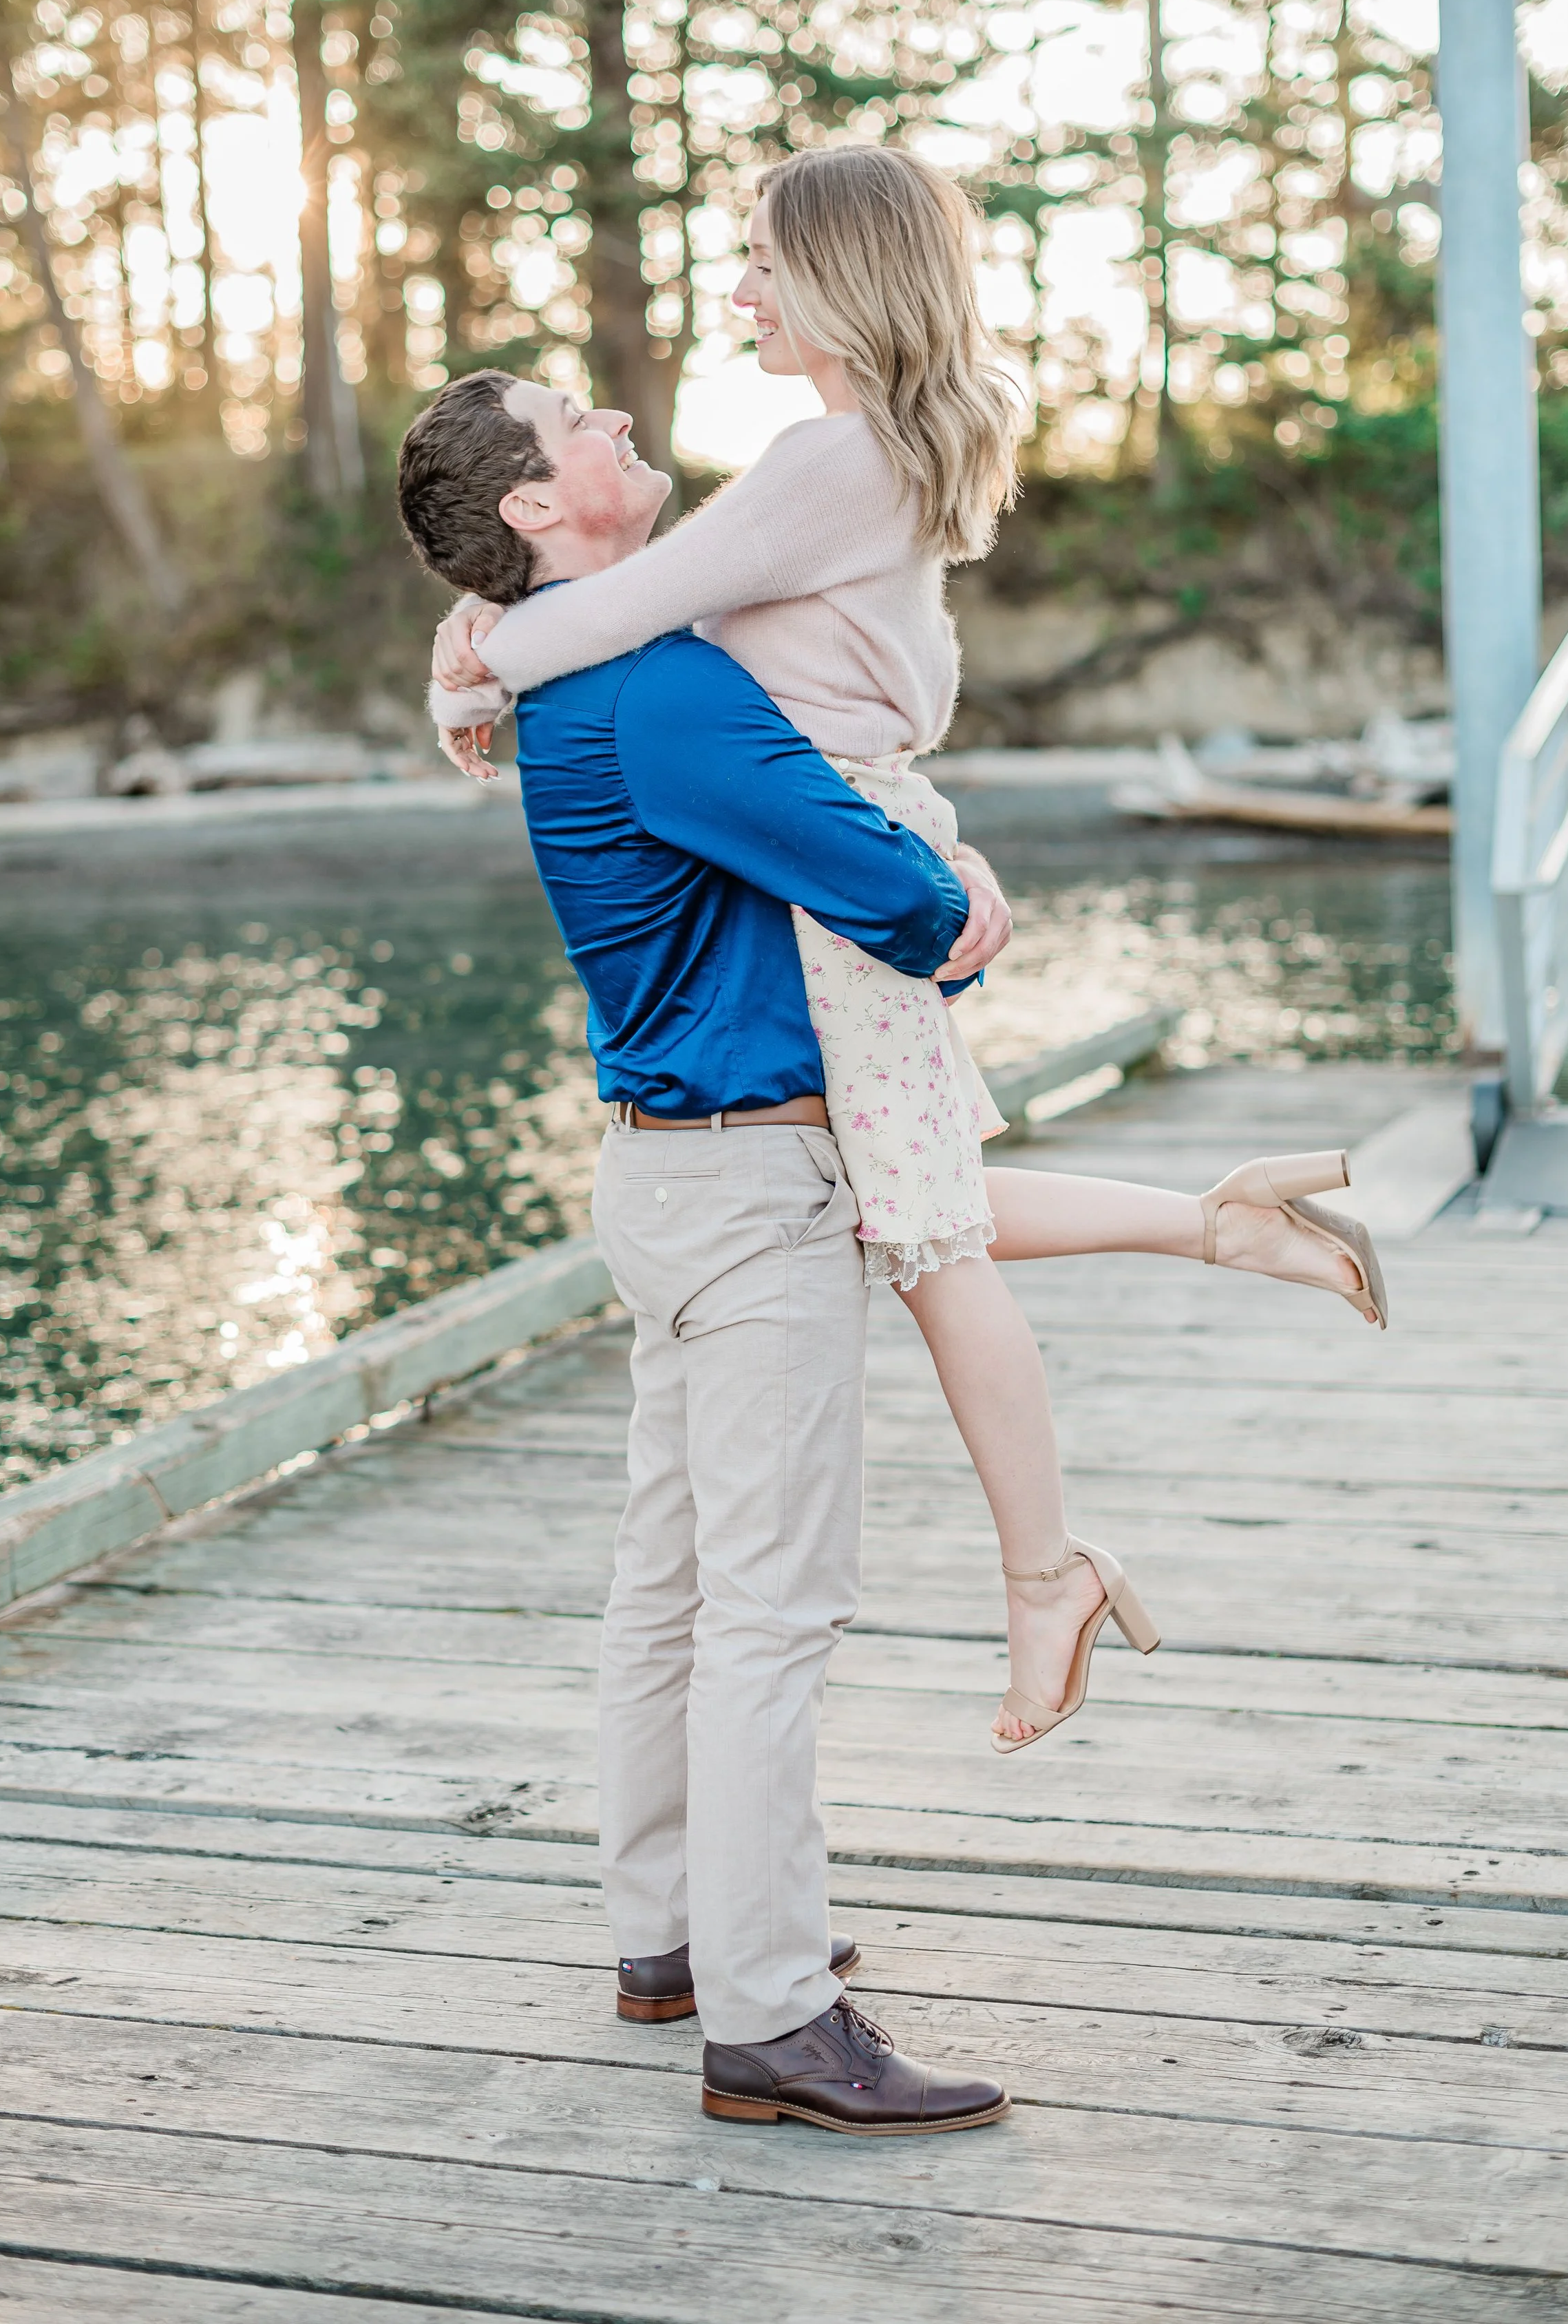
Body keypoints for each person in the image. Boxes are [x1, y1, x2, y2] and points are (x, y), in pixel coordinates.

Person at [427, 150, 1389, 1754]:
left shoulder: (824, 460)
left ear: (836, 278)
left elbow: (622, 613)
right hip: (848, 826)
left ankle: (1044, 1571)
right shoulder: (874, 452)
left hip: (829, 861)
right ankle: (1219, 1227)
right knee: (915, 1186)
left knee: (926, 1238)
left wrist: (470, 667)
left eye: (754, 262)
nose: (733, 289)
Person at [398, 364, 1012, 2134]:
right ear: (536, 505)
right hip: (752, 1183)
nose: (617, 422)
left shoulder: (580, 669)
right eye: (581, 419)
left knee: (667, 1589)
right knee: (771, 1608)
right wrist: (974, 901)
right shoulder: (660, 686)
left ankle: (671, 1936)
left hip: (668, 1173)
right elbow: (895, 902)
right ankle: (769, 2015)